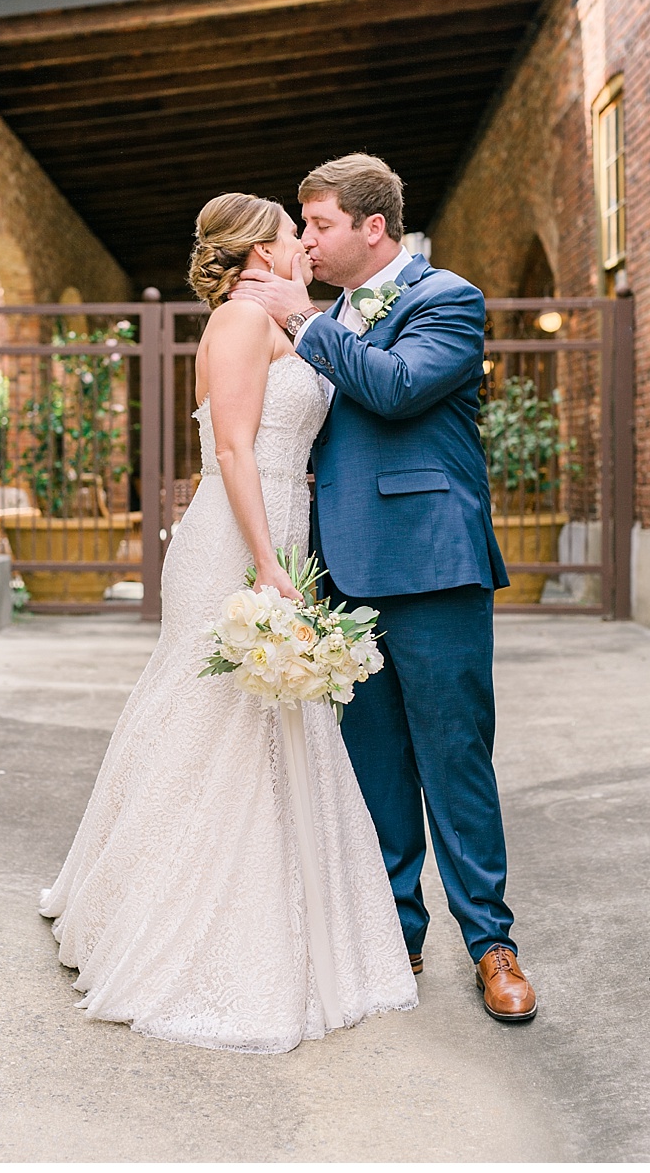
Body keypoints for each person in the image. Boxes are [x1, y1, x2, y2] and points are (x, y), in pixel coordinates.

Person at [39, 193, 417, 1053]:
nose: (305, 245)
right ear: (258, 250)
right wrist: (270, 561)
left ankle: (279, 913)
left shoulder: (281, 318)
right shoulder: (241, 324)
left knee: (269, 724)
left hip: (281, 521)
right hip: (239, 536)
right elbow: (237, 449)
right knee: (218, 715)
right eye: (294, 234)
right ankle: (173, 917)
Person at [231, 154, 534, 1023]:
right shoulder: (314, 317)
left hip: (433, 562)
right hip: (340, 567)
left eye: (318, 224)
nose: (306, 241)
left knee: (455, 757)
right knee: (374, 768)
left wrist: (307, 321)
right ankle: (394, 931)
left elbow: (398, 391)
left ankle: (492, 943)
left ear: (373, 228)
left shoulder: (449, 298)